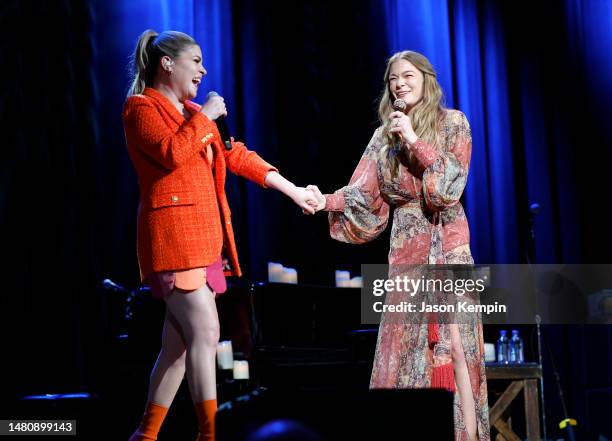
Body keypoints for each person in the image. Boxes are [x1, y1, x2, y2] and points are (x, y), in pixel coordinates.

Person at [122, 29, 318, 441]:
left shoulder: (194, 113)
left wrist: (293, 190)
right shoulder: (140, 108)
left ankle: (146, 434)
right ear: (168, 64)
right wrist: (204, 116)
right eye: (196, 61)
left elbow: (237, 155)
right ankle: (209, 434)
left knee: (178, 347)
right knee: (207, 332)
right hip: (173, 242)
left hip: (206, 241)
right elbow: (171, 154)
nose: (204, 70)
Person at [307, 51, 490, 441]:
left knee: (456, 348)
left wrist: (412, 138)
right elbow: (363, 197)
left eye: (407, 76)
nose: (399, 84)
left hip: (449, 251)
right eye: (393, 79)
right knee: (407, 356)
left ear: (426, 80)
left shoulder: (453, 124)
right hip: (405, 258)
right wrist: (325, 200)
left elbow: (445, 189)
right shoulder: (382, 137)